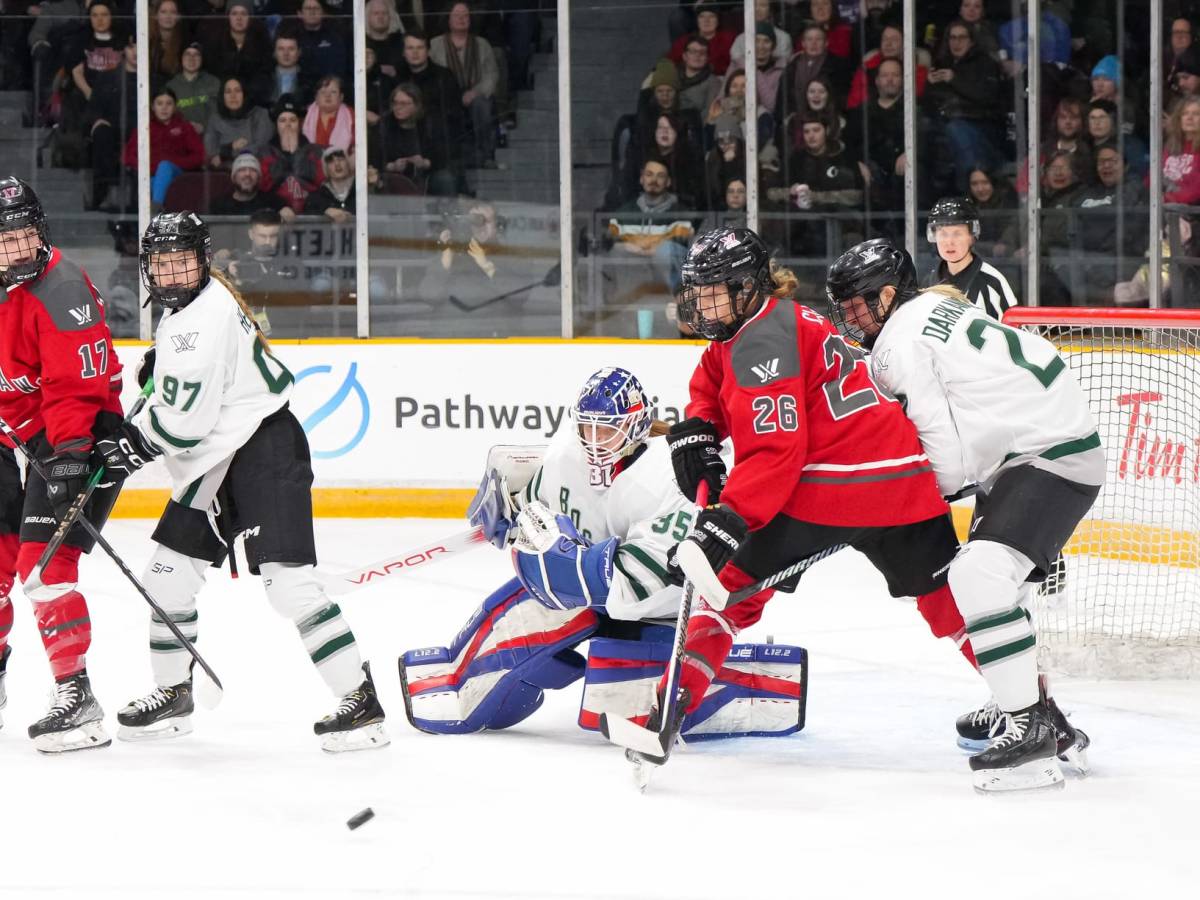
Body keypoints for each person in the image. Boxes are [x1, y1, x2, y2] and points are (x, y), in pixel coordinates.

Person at [660, 226, 1066, 792]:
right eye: (698, 292)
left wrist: (731, 518)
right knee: (948, 604)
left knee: (727, 589)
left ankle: (668, 706)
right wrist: (699, 426)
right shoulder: (773, 322)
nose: (702, 305)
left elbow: (776, 452)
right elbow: (714, 372)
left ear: (747, 288)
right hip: (904, 482)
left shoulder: (760, 341)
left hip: (831, 486)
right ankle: (1040, 713)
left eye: (713, 292)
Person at [92, 212, 386, 751]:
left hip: (261, 449)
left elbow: (184, 425)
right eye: (162, 263)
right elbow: (187, 389)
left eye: (182, 261)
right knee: (166, 580)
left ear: (203, 261)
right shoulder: (195, 307)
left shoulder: (197, 326)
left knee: (289, 585)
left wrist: (132, 444)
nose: (172, 273)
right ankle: (174, 694)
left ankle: (360, 701)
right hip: (217, 457)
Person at [399, 367, 808, 739]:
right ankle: (458, 674)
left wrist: (557, 564)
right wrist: (512, 505)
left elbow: (637, 583)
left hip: (664, 610)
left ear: (635, 426)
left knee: (620, 701)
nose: (594, 442)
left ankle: (752, 684)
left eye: (607, 431)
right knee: (526, 614)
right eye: (587, 429)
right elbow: (539, 505)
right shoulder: (565, 455)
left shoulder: (671, 478)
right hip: (598, 594)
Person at [827, 236, 1098, 790]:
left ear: (887, 295)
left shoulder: (896, 343)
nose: (850, 319)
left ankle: (1031, 734)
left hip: (1046, 453)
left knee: (977, 575)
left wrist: (899, 500)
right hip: (1034, 447)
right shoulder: (934, 305)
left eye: (856, 305)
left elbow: (942, 451)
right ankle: (1022, 705)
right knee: (1003, 589)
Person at [0, 177, 125, 753]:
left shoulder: (61, 288)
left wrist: (72, 454)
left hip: (77, 437)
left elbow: (76, 389)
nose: (16, 250)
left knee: (44, 569)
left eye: (23, 236)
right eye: (4, 241)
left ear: (40, 232)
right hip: (17, 436)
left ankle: (78, 699)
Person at [607, 159, 695, 294]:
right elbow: (611, 243)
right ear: (641, 179)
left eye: (660, 176)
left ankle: (673, 300)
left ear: (668, 182)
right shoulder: (623, 213)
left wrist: (641, 249)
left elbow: (677, 246)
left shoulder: (681, 213)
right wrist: (629, 248)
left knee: (666, 250)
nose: (654, 180)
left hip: (667, 288)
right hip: (633, 282)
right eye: (649, 174)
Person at [430, 2, 500, 168]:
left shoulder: (482, 44)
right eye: (457, 15)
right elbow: (432, 74)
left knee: (481, 104)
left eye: (465, 16)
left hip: (475, 96)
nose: (462, 19)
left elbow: (491, 74)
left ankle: (486, 154)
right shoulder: (435, 44)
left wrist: (475, 92)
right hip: (446, 96)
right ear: (448, 19)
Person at [923, 196, 1018, 318]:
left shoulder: (992, 282)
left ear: (972, 236)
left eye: (957, 234)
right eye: (943, 234)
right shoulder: (928, 283)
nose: (949, 242)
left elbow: (1014, 327)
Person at [123, 87, 206, 208]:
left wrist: (170, 163)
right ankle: (157, 208)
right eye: (160, 103)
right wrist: (149, 167)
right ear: (153, 107)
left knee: (165, 166)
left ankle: (156, 208)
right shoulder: (144, 128)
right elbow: (127, 156)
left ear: (175, 107)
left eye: (169, 103)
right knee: (153, 181)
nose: (164, 108)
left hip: (178, 175)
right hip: (152, 175)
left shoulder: (185, 127)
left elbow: (199, 156)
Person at [259, 93, 326, 213]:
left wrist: (296, 154)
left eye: (293, 120)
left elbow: (320, 185)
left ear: (299, 124)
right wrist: (286, 156)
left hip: (310, 212)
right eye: (282, 120)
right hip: (276, 213)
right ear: (276, 125)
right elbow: (264, 188)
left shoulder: (314, 151)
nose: (288, 125)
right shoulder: (265, 152)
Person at [204, 76, 273, 170]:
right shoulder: (215, 119)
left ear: (245, 94)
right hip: (224, 171)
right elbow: (210, 151)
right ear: (222, 96)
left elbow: (260, 147)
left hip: (255, 169)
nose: (233, 96)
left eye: (237, 91)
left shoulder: (260, 115)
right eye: (228, 92)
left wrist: (226, 153)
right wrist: (231, 146)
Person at [210, 151, 292, 218]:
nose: (248, 174)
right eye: (242, 170)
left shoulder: (274, 203)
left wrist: (287, 213)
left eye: (253, 170)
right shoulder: (218, 206)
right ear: (233, 178)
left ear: (259, 178)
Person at [166, 42, 221, 135]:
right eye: (187, 54)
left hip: (209, 138)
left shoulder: (214, 83)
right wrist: (183, 128)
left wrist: (204, 126)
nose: (192, 58)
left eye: (197, 55)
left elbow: (220, 114)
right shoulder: (171, 86)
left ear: (202, 59)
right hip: (181, 138)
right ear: (181, 58)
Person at [302, 74, 354, 153]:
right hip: (311, 160)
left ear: (341, 97)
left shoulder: (350, 115)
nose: (328, 95)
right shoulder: (305, 115)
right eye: (323, 92)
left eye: (333, 92)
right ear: (316, 97)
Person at [303, 146, 354, 221]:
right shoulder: (315, 197)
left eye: (340, 159)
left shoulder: (360, 191)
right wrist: (324, 211)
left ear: (348, 164)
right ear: (326, 168)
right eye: (331, 161)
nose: (337, 164)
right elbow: (306, 219)